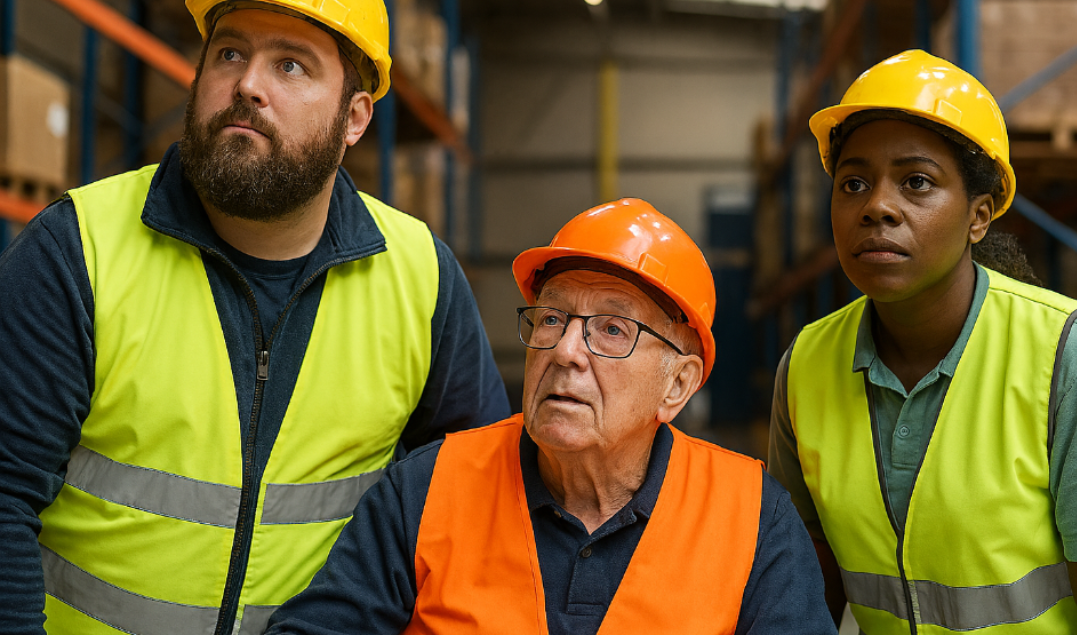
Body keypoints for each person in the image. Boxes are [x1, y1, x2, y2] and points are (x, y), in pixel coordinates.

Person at [0, 0, 509, 633]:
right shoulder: (79, 251)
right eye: (230, 52)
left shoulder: (421, 279)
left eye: (291, 66)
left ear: (354, 118)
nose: (246, 85)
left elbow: (478, 506)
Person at [263, 198, 837, 635]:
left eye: (612, 329)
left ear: (678, 385)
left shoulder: (752, 516)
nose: (566, 350)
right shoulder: (427, 488)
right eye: (552, 318)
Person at [768, 49, 1077, 633]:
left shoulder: (1075, 359)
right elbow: (806, 598)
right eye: (853, 183)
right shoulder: (807, 366)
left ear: (979, 216)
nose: (877, 207)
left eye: (917, 182)